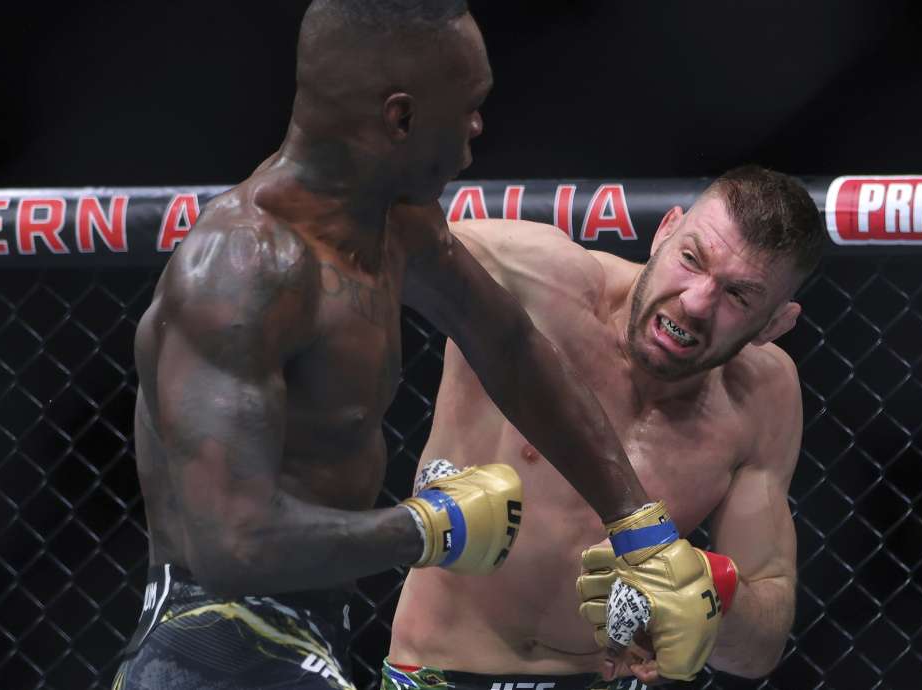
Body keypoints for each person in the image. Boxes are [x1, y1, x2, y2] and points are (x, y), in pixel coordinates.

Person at [113, 2, 719, 688]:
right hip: (208, 636)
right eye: (468, 105)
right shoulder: (245, 267)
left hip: (304, 634)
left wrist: (637, 524)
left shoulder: (396, 222)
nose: (478, 126)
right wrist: (430, 529)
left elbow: (509, 344)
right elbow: (231, 543)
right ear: (400, 118)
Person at [387, 165, 824, 689]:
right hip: (441, 670)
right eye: (691, 260)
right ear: (664, 232)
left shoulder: (764, 395)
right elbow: (354, 236)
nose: (695, 301)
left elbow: (761, 647)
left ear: (775, 324)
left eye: (738, 296)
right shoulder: (533, 278)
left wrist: (707, 594)